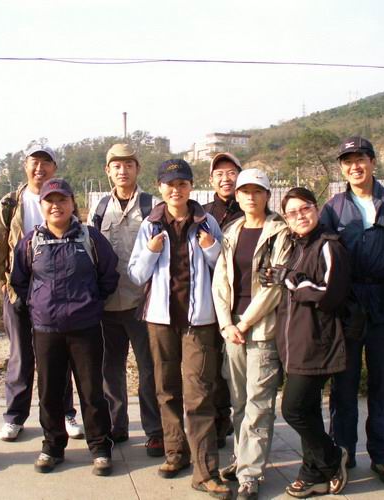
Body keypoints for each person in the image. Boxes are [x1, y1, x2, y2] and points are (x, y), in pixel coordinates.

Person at [128, 159, 231, 499]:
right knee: (166, 390)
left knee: (199, 393)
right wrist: (150, 252)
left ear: (190, 186)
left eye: (182, 183)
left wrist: (211, 248)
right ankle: (176, 453)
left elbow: (225, 269)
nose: (176, 190)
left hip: (199, 322)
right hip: (160, 321)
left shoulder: (207, 222)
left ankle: (205, 471)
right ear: (160, 187)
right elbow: (136, 274)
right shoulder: (150, 225)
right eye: (170, 184)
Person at [319, 136, 384, 486]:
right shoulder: (333, 208)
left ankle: (383, 455)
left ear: (373, 162)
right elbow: (324, 261)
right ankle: (343, 451)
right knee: (343, 386)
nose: (355, 166)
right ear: (341, 168)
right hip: (348, 306)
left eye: (361, 159)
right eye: (348, 161)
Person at [11, 178, 119, 475]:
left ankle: (100, 446)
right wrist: (36, 305)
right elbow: (19, 280)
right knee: (50, 391)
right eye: (50, 201)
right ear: (42, 205)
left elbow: (109, 274)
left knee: (92, 391)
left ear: (73, 203)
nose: (56, 206)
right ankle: (52, 446)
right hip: (46, 329)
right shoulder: (31, 242)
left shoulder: (90, 238)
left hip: (85, 327)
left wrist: (92, 303)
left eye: (62, 200)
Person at [263, 187, 351, 498]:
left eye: (305, 209)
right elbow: (292, 284)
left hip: (317, 342)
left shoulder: (329, 246)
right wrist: (277, 276)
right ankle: (311, 472)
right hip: (295, 343)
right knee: (309, 409)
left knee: (293, 410)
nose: (300, 216)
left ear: (316, 208)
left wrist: (289, 279)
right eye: (292, 213)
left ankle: (332, 458)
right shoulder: (297, 246)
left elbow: (331, 294)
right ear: (286, 219)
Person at [0, 144, 83, 442]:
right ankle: (15, 417)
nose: (40, 168)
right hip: (18, 290)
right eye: (35, 162)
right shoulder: (10, 203)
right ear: (25, 165)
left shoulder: (63, 199)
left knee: (60, 355)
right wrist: (4, 284)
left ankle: (66, 413)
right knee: (20, 356)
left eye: (46, 162)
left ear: (54, 168)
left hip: (57, 292)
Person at [211, 169, 289, 499]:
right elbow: (220, 281)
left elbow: (275, 287)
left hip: (262, 329)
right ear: (238, 196)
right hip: (233, 328)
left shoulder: (279, 233)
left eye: (257, 191)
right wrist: (226, 324)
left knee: (259, 403)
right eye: (245, 191)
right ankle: (241, 458)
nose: (250, 197)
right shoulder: (231, 231)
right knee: (239, 401)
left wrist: (243, 325)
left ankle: (250, 474)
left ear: (267, 195)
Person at [87, 144, 163, 457]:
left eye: (128, 164)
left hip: (142, 304)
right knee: (111, 369)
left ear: (137, 169)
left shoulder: (152, 205)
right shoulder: (99, 208)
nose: (123, 170)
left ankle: (155, 431)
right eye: (116, 165)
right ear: (108, 170)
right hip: (107, 304)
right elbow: (90, 250)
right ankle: (116, 426)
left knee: (148, 370)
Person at [203, 152, 244, 448]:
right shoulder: (203, 214)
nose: (225, 179)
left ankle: (243, 425)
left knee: (239, 368)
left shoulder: (251, 210)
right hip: (210, 302)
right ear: (211, 180)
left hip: (242, 303)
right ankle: (218, 422)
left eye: (231, 173)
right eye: (219, 174)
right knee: (212, 367)